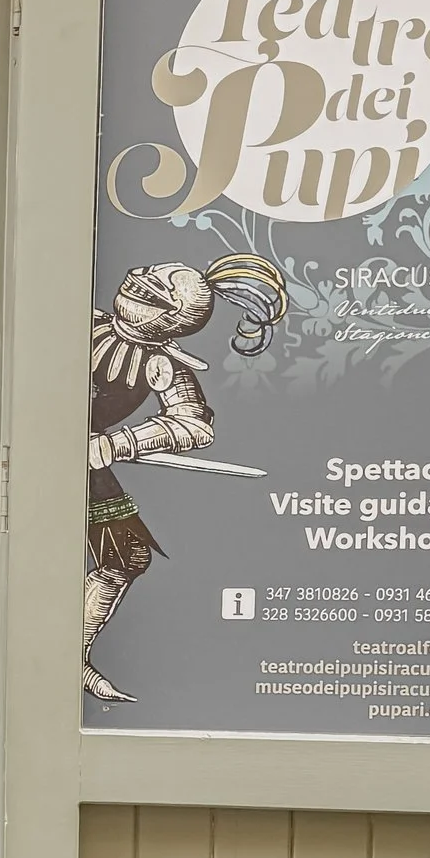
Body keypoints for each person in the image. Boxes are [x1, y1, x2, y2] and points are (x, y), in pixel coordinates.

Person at [84, 252, 286, 703]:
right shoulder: (80, 320)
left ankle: (71, 654)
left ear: (176, 318)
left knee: (127, 556)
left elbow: (194, 424)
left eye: (156, 286)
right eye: (145, 273)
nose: (137, 277)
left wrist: (118, 443)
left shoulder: (163, 366)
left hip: (88, 461)